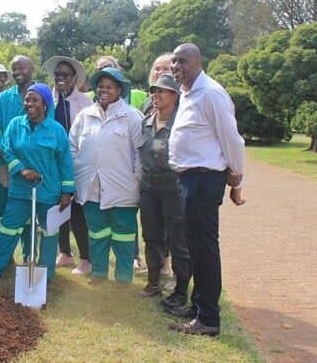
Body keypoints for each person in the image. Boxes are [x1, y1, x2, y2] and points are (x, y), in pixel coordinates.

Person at [167, 42, 246, 336]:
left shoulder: (211, 93)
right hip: (189, 180)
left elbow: (233, 140)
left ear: (198, 62)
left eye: (182, 62)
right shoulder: (188, 93)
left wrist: (237, 180)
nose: (176, 67)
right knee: (196, 247)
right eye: (174, 62)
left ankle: (209, 319)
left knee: (203, 249)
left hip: (203, 181)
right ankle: (199, 308)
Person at [0, 83, 74, 283]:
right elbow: (6, 150)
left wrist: (67, 191)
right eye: (27, 100)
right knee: (8, 228)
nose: (30, 104)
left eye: (35, 100)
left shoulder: (56, 130)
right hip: (20, 190)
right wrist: (21, 169)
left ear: (45, 105)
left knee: (49, 232)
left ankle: (45, 273)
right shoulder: (15, 125)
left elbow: (65, 161)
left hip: (48, 191)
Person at [69, 67, 143, 283]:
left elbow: (140, 152)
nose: (104, 90)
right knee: (97, 232)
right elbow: (72, 146)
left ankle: (123, 277)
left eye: (110, 87)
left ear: (119, 90)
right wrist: (77, 174)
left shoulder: (131, 116)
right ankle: (99, 273)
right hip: (90, 187)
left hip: (123, 188)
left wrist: (136, 180)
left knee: (124, 235)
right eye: (101, 86)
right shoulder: (85, 116)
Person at [138, 74, 190, 307]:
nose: (155, 95)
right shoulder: (146, 122)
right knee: (151, 238)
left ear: (175, 95)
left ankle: (180, 291)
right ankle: (153, 284)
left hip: (174, 186)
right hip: (149, 187)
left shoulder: (182, 123)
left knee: (178, 241)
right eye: (153, 91)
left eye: (161, 91)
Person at [0, 56, 54, 233]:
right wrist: (5, 154)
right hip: (3, 163)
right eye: (14, 69)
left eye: (21, 68)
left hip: (31, 166)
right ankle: (5, 256)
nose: (17, 72)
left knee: (28, 211)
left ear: (32, 69)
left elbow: (49, 129)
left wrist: (27, 161)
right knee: (1, 210)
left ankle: (27, 254)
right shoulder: (3, 98)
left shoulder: (44, 95)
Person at [43, 56, 93, 276]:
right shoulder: (47, 98)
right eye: (58, 75)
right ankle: (64, 252)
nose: (61, 78)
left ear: (74, 78)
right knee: (57, 208)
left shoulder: (85, 102)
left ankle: (86, 259)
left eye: (66, 75)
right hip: (50, 164)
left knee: (77, 212)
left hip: (74, 164)